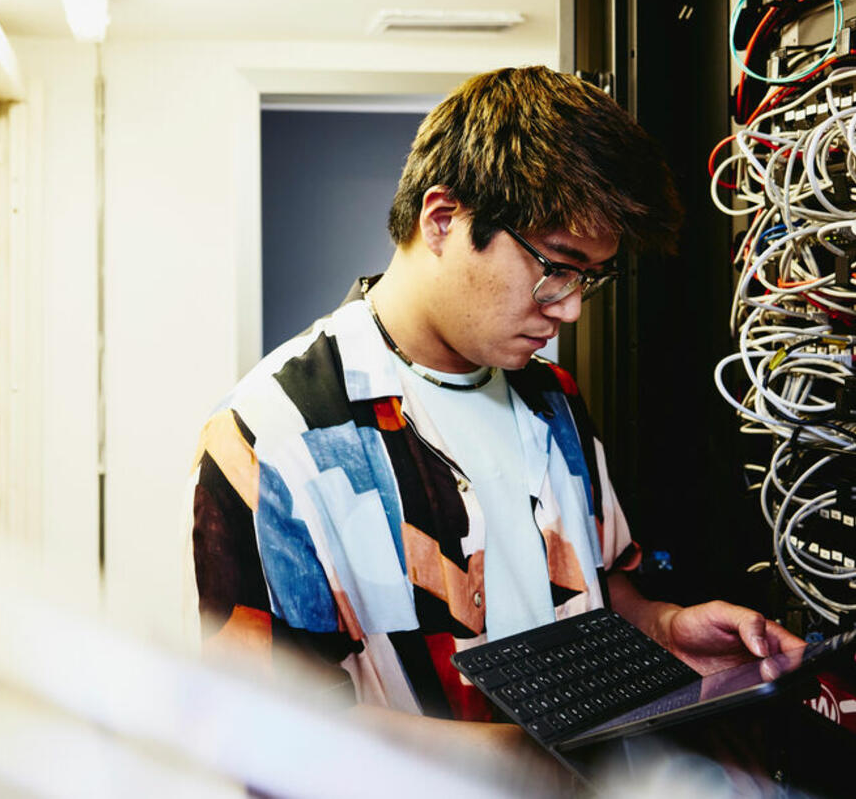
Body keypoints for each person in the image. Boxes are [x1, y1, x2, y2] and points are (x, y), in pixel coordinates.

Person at [188, 67, 801, 741]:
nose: (567, 307)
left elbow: (598, 587)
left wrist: (665, 628)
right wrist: (512, 761)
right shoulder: (268, 436)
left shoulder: (550, 397)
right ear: (444, 219)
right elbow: (261, 724)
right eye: (555, 266)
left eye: (587, 278)